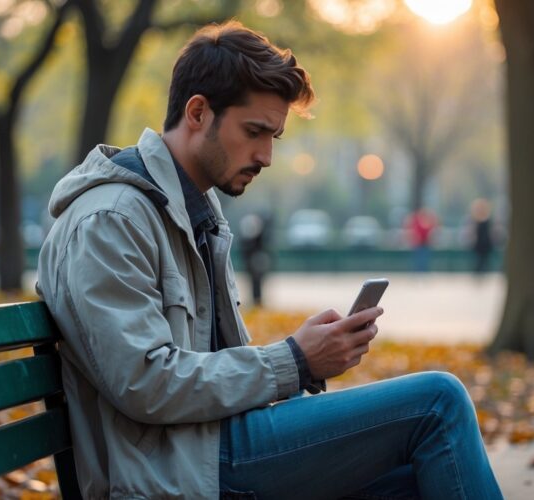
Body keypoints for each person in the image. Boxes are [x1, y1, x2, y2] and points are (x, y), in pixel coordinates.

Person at [36, 22, 502, 499]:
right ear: (198, 112)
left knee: (419, 478)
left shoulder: (193, 211)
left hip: (208, 449)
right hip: (175, 472)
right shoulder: (111, 218)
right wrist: (294, 361)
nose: (267, 155)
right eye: (255, 131)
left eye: (274, 136)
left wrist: (305, 361)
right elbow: (144, 381)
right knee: (437, 404)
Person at [239, 211, 272, 306]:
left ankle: (257, 300)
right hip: (253, 261)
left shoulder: (254, 233)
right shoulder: (255, 231)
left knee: (257, 282)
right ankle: (256, 300)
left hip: (255, 261)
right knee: (254, 282)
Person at [404, 207, 437, 272]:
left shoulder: (426, 223)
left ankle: (423, 271)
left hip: (424, 244)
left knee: (423, 260)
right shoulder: (417, 223)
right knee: (418, 260)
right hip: (418, 245)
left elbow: (431, 231)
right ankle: (418, 272)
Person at [470, 199, 494, 275]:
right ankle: (479, 272)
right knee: (480, 260)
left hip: (485, 243)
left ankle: (481, 272)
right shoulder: (477, 220)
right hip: (480, 244)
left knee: (483, 260)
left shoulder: (487, 220)